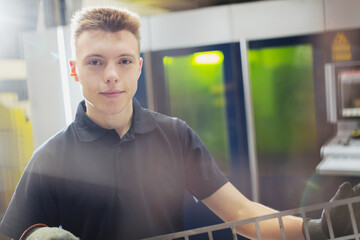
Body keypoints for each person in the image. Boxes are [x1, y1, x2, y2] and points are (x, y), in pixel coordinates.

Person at [0, 6, 358, 240]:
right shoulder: (52, 157)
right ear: (75, 70)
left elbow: (242, 213)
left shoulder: (174, 135)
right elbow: (11, 232)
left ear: (138, 67)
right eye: (95, 62)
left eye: (124, 61)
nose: (111, 75)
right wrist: (37, 236)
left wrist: (318, 229)